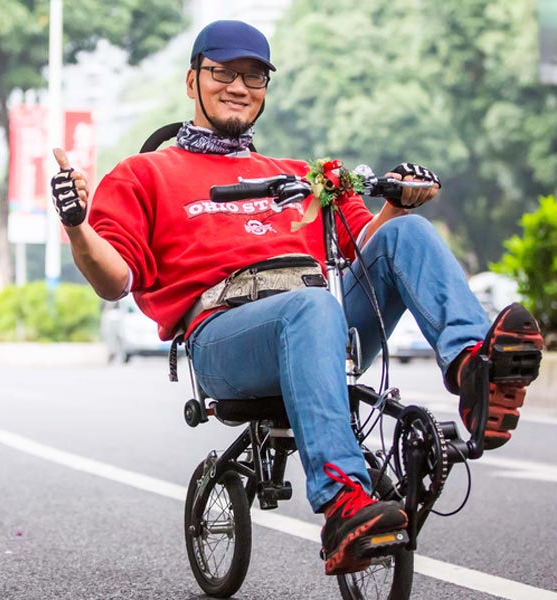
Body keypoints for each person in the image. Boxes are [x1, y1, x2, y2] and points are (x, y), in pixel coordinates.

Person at [50, 20, 543, 575]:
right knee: (312, 308)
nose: (239, 86)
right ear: (192, 81)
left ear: (265, 88)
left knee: (408, 235)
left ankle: (477, 368)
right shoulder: (145, 174)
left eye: (254, 77)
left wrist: (400, 202)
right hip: (224, 337)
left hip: (321, 326)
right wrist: (76, 225)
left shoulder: (303, 176)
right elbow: (113, 279)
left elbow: (374, 251)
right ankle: (343, 503)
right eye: (223, 73)